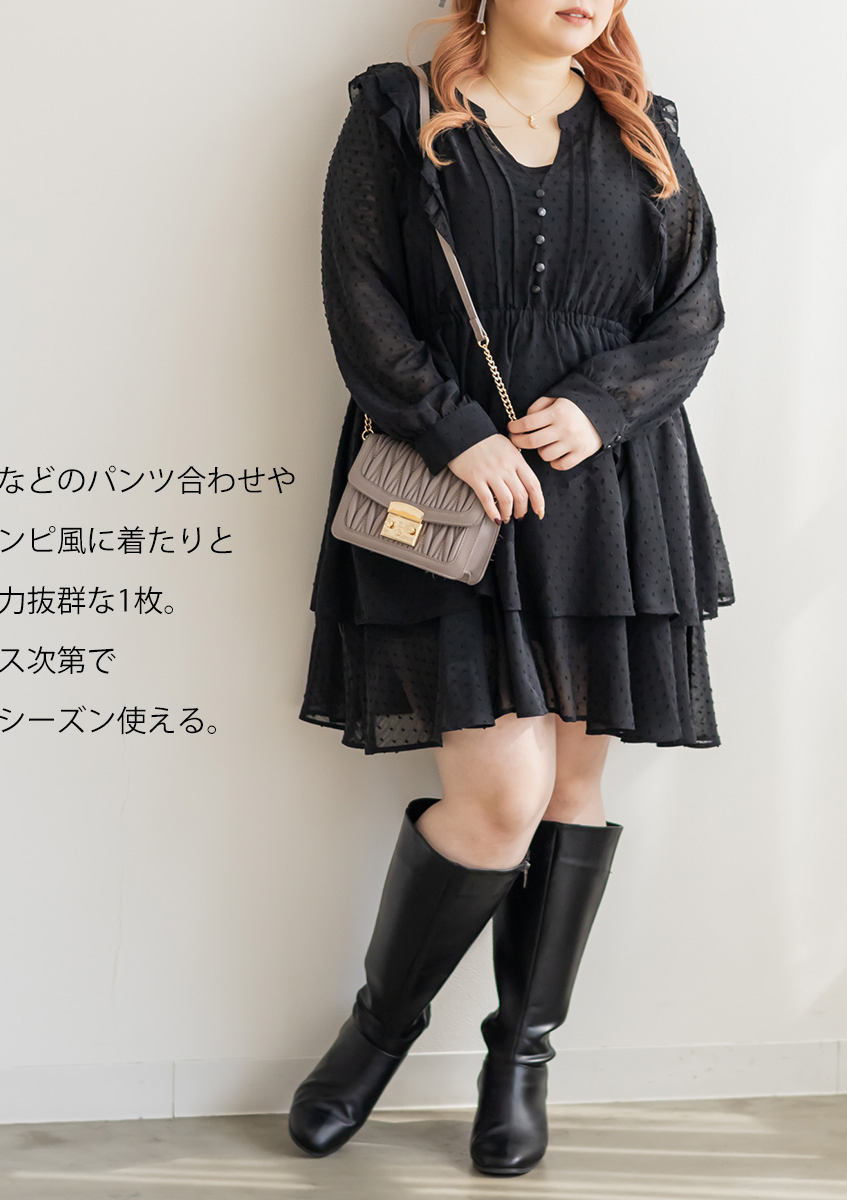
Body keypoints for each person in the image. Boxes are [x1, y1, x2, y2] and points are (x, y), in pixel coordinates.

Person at [290, 0, 734, 1177]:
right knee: (499, 796)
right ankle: (376, 1034)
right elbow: (360, 295)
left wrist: (600, 407)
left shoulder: (644, 128)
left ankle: (520, 1060)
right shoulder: (397, 110)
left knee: (572, 785)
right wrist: (454, 432)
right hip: (452, 494)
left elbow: (692, 311)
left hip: (607, 492)